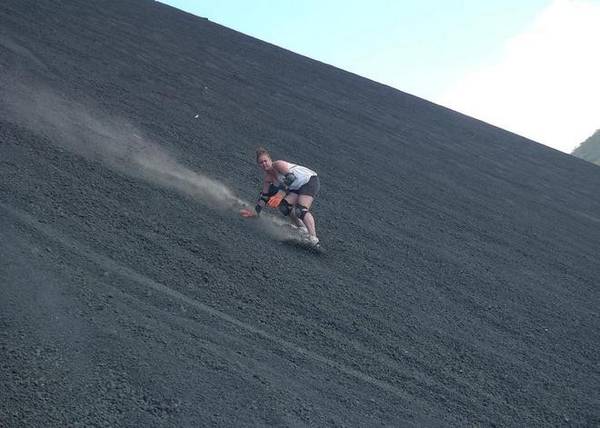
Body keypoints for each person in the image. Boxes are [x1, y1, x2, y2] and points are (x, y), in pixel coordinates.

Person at [240, 147, 320, 246]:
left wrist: (280, 194)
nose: (264, 164)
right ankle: (302, 229)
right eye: (261, 163)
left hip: (309, 181)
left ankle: (313, 239)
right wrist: (256, 212)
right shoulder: (268, 178)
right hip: (296, 187)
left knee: (301, 210)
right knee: (284, 207)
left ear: (270, 160)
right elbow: (264, 197)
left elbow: (291, 178)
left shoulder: (278, 164)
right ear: (259, 165)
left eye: (265, 161)